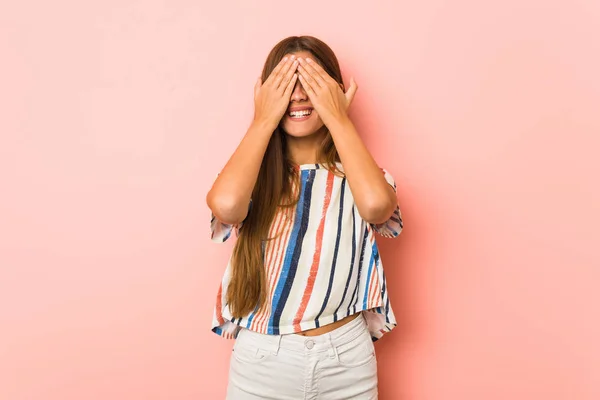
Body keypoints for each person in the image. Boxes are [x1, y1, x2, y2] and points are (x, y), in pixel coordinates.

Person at [206, 35, 403, 400]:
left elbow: (378, 207)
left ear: (335, 92)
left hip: (347, 359)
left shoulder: (360, 177)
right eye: (285, 85)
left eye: (310, 83)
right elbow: (226, 205)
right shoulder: (251, 176)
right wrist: (263, 118)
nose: (296, 96)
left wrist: (339, 118)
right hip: (263, 360)